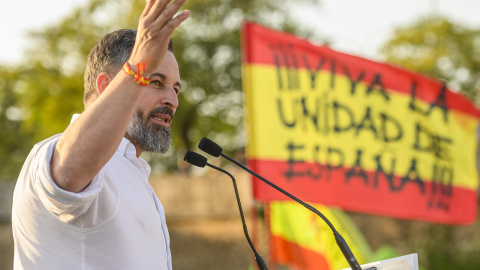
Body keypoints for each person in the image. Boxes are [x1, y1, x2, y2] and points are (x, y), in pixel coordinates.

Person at [11, 0, 190, 269]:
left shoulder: (133, 173)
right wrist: (138, 65)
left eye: (175, 89)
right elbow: (70, 170)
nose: (172, 100)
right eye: (155, 81)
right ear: (106, 86)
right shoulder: (52, 154)